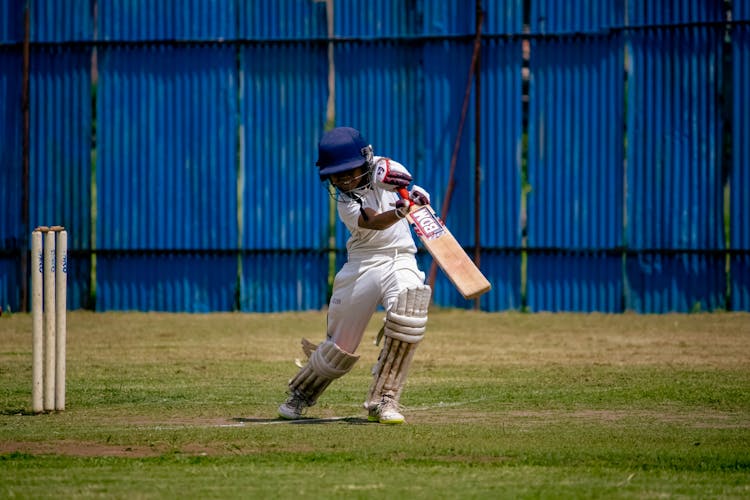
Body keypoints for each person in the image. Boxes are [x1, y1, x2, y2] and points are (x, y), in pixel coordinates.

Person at [278, 126, 432, 424]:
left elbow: (402, 180)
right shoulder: (348, 203)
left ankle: (385, 399)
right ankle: (301, 393)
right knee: (340, 346)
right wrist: (402, 211)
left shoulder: (386, 168)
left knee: (409, 315)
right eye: (336, 175)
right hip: (362, 264)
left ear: (366, 159)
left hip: (401, 257)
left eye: (350, 171)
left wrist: (415, 196)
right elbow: (374, 222)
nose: (344, 179)